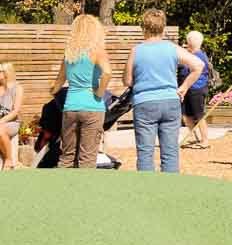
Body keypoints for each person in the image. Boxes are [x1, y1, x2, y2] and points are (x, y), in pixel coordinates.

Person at [124, 9, 202, 173]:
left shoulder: (136, 51)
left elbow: (128, 81)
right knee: (170, 153)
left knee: (145, 153)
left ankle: (147, 186)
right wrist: (183, 88)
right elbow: (198, 65)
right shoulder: (172, 48)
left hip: (145, 103)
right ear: (163, 27)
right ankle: (170, 186)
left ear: (143, 28)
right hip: (170, 101)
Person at [51, 13, 111, 168]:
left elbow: (59, 81)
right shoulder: (97, 51)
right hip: (92, 107)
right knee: (87, 159)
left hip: (71, 107)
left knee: (67, 157)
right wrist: (99, 93)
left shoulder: (69, 53)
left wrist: (52, 91)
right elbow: (107, 73)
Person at [180, 30, 212, 149]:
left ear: (190, 42)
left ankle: (205, 140)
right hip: (188, 88)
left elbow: (191, 70)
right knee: (186, 115)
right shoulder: (190, 54)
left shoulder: (199, 56)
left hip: (197, 88)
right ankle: (196, 137)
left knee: (199, 115)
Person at [0, 62, 22, 169]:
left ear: (6, 72)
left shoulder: (17, 88)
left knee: (0, 129)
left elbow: (15, 111)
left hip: (11, 122)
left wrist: (1, 121)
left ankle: (8, 159)